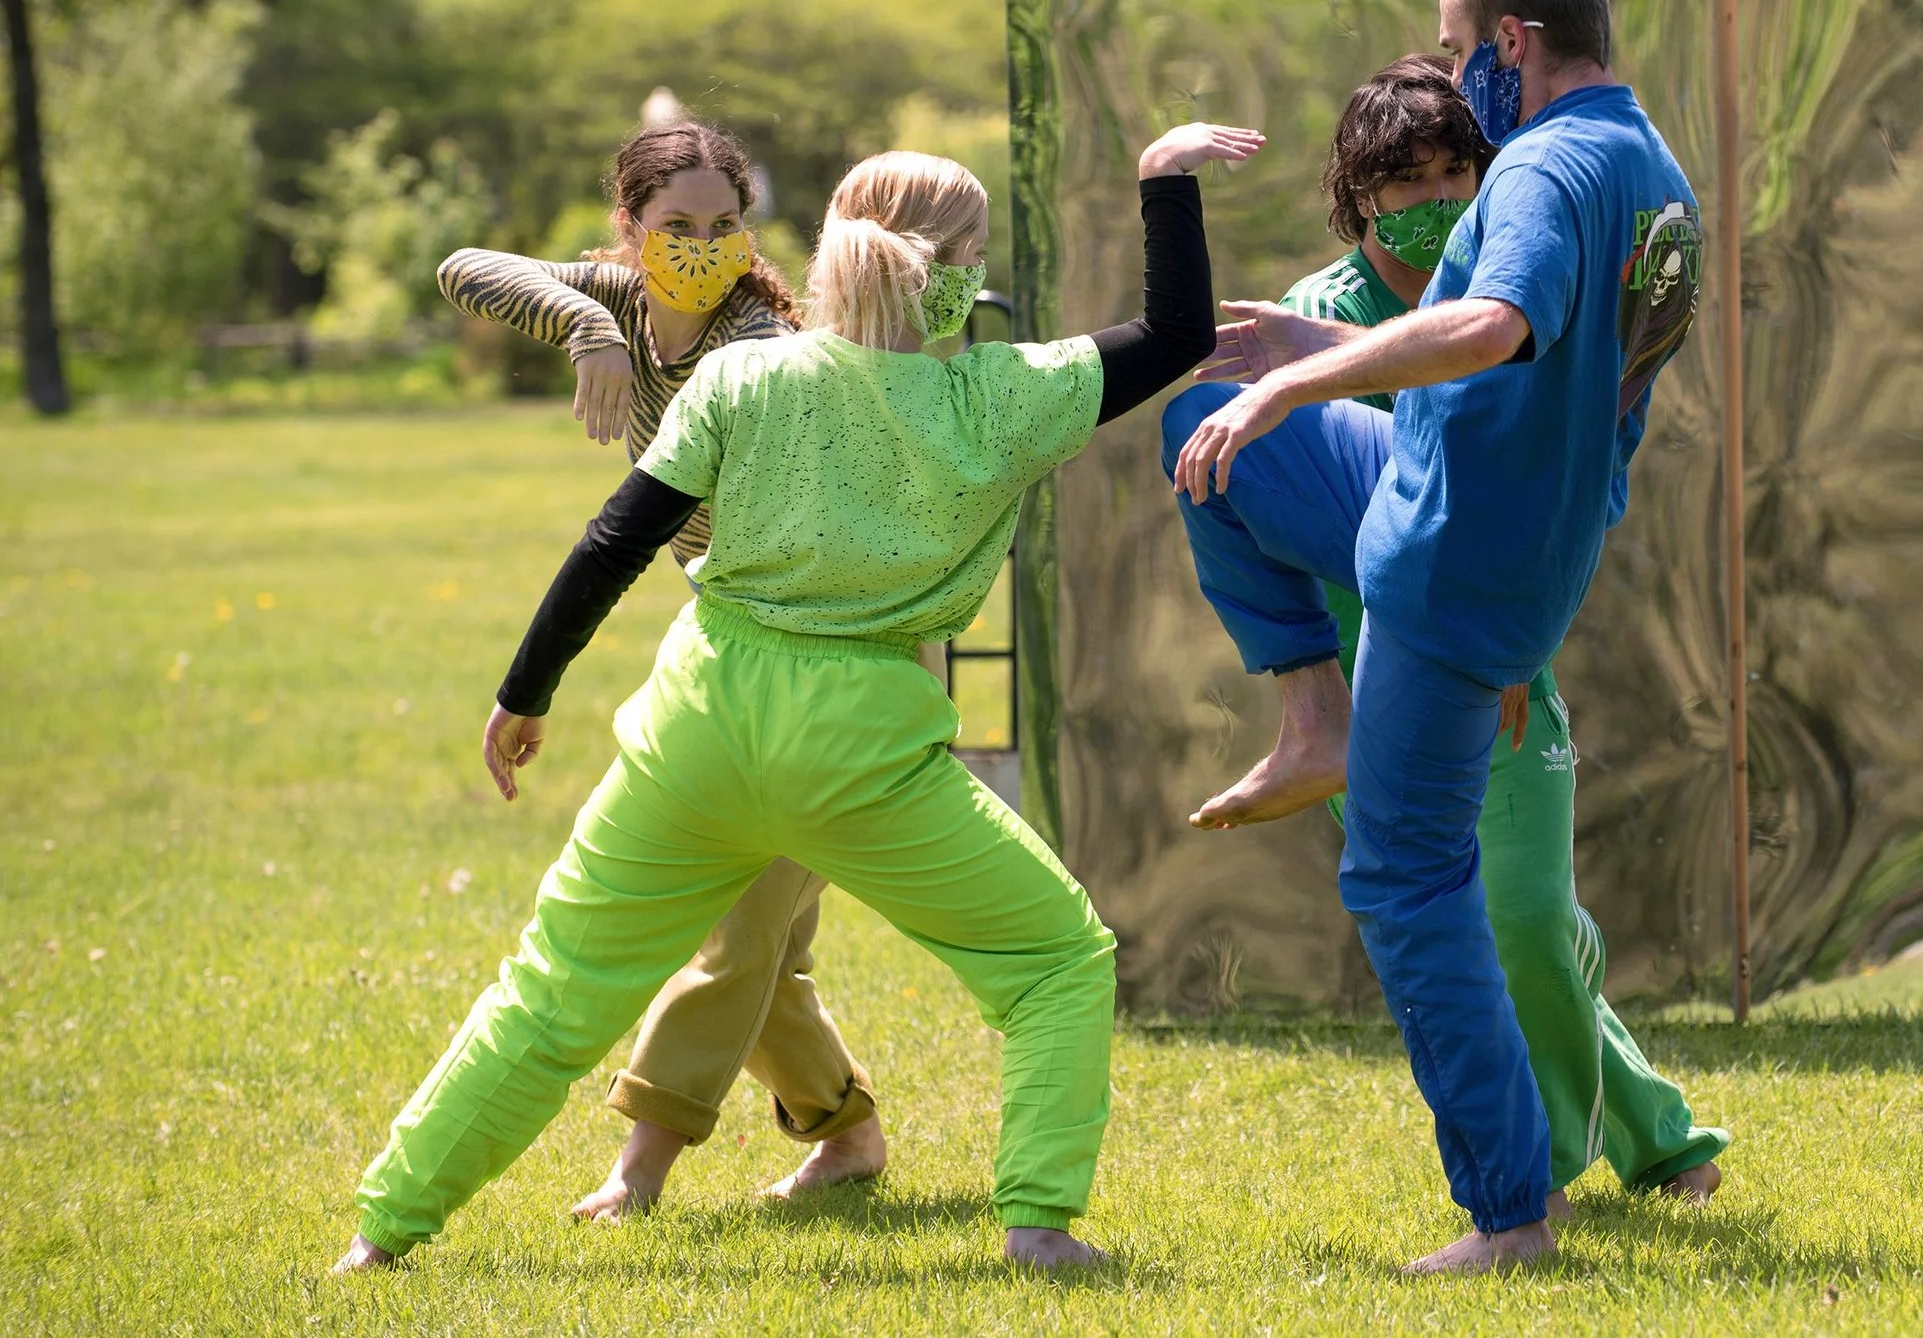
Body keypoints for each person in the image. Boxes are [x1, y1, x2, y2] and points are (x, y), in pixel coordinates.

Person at [338, 124, 1250, 1274]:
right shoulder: (1002, 394)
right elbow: (1180, 333)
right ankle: (1035, 1229)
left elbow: (615, 540)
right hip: (863, 745)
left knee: (549, 995)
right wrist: (1162, 179)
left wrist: (526, 691)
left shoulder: (740, 370)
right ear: (954, 270)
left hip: (700, 721)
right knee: (1055, 961)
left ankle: (380, 1236)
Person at [1163, 0, 1707, 1273]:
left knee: (1408, 879)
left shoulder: (1538, 171)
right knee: (1216, 428)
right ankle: (1312, 713)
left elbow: (1492, 326)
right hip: (1469, 511)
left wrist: (1302, 377)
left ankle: (1512, 1214)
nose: (1459, 77)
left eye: (1464, 52)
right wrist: (1313, 343)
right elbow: (1557, 388)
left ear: (1516, 45)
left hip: (1451, 555)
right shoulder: (1651, 171)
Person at [438, 121, 884, 1218]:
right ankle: (846, 1134)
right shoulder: (622, 299)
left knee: (735, 917)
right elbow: (463, 267)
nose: (702, 244)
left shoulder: (761, 351)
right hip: (740, 644)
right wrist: (589, 326)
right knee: (759, 938)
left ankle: (641, 1170)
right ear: (627, 232)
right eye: (675, 225)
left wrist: (530, 684)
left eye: (724, 224)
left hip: (839, 648)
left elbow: (629, 536)